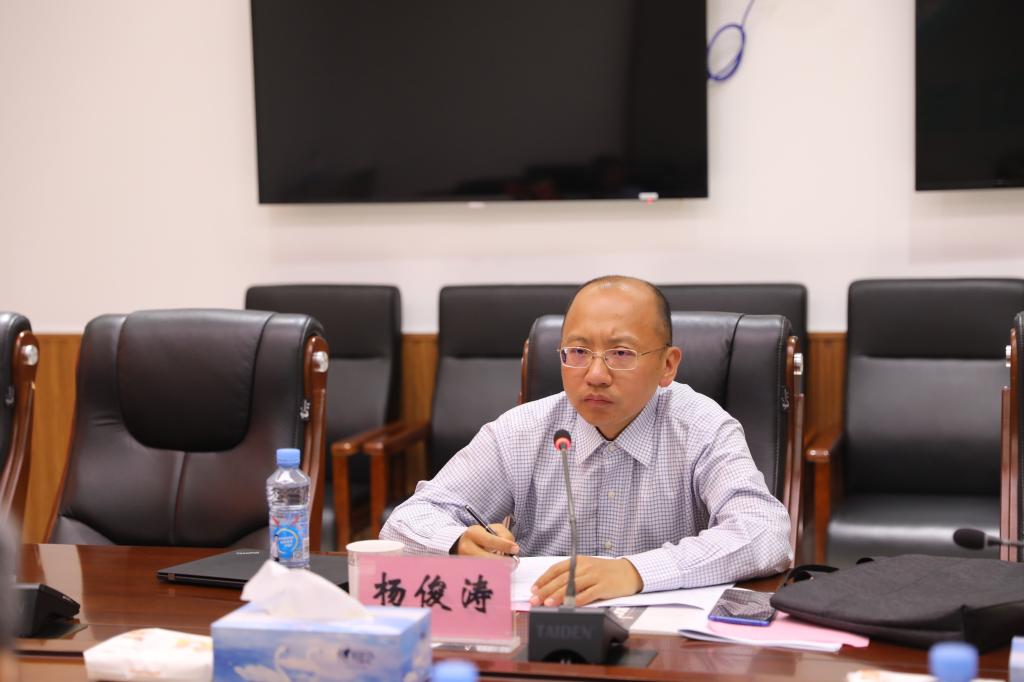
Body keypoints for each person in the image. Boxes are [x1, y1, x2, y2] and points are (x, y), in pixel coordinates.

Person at [380, 275, 792, 606]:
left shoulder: (702, 427)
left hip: (667, 650)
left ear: (668, 365)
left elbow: (765, 532)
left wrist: (635, 571)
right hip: (541, 634)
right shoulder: (523, 430)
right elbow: (405, 522)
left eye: (620, 353)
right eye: (578, 352)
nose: (595, 374)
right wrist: (458, 543)